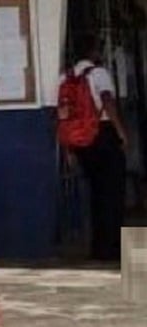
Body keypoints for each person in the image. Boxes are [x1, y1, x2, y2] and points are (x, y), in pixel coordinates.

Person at [64, 34, 127, 261]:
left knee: (96, 195)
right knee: (113, 194)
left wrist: (69, 148)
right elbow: (107, 101)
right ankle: (113, 249)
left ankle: (97, 249)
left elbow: (64, 115)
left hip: (81, 142)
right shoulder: (99, 73)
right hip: (103, 135)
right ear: (93, 52)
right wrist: (120, 132)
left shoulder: (67, 78)